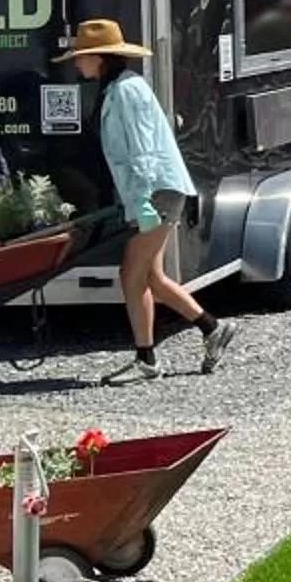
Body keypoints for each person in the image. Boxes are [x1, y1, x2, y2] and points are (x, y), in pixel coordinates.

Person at [57, 19, 232, 384]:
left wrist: (143, 205)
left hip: (158, 191)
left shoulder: (126, 91)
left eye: (82, 57)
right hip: (153, 191)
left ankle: (151, 357)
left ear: (100, 58)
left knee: (132, 275)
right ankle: (209, 331)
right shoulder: (118, 89)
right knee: (150, 275)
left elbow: (142, 153)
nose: (77, 63)